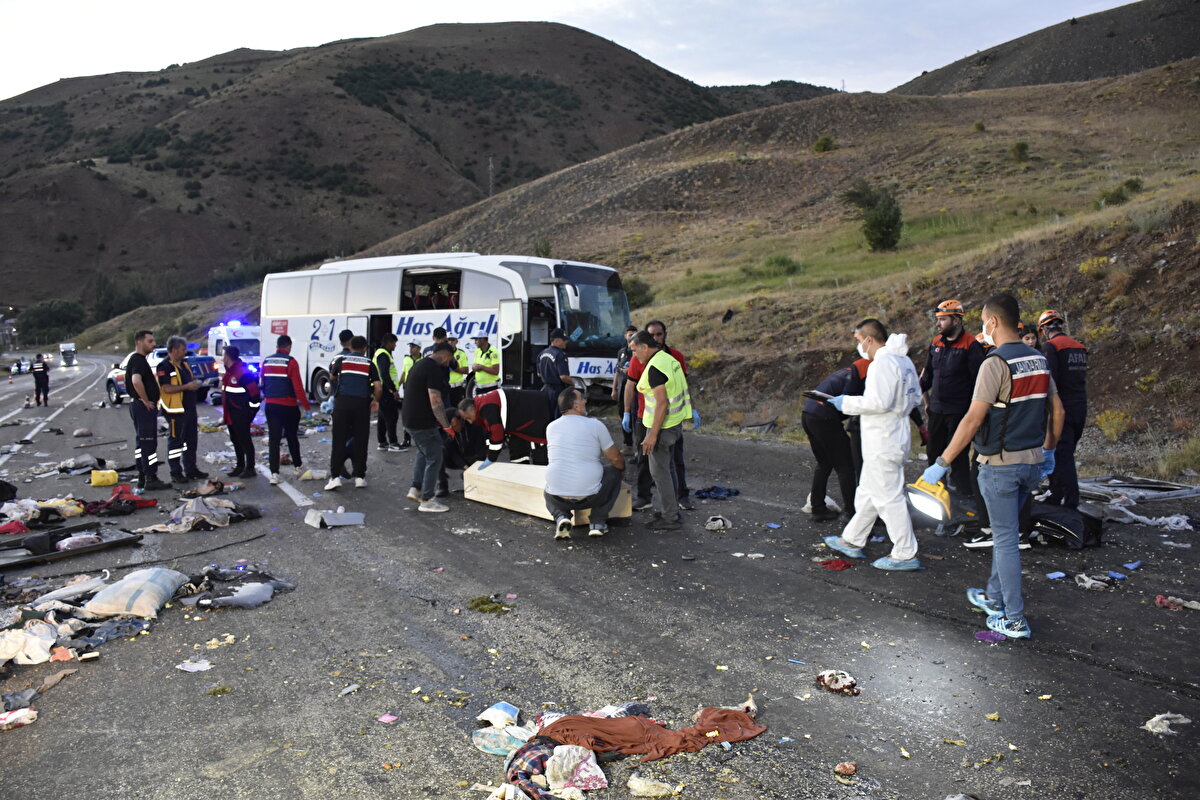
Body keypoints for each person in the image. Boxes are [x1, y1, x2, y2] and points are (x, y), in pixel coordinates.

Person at [924, 293, 1065, 639]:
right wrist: (1049, 450)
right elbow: (1057, 411)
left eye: (983, 322)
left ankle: (1013, 619)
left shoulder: (994, 363)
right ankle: (994, 595)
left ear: (992, 322)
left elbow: (973, 420)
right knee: (1007, 534)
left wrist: (941, 462)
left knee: (1004, 541)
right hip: (1032, 464)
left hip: (1000, 466)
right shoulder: (1038, 359)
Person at [824, 319, 923, 571]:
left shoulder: (882, 363)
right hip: (892, 436)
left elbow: (878, 402)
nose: (858, 346)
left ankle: (904, 552)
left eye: (858, 340)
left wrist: (846, 403)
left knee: (889, 498)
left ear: (868, 339)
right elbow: (916, 397)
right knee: (868, 491)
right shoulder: (904, 361)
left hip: (883, 439)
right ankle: (852, 539)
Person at [622, 321, 697, 511]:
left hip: (662, 425)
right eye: (652, 334)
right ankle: (651, 500)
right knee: (653, 465)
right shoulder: (665, 359)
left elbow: (662, 402)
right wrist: (626, 412)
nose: (633, 355)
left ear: (644, 346)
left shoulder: (661, 363)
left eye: (634, 350)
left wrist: (653, 434)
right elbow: (630, 385)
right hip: (664, 421)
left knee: (663, 469)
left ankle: (671, 513)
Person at [919, 300, 985, 498]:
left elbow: (978, 384)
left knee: (957, 458)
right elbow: (928, 374)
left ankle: (965, 500)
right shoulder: (936, 342)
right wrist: (923, 400)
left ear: (956, 320)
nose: (938, 324)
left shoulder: (971, 346)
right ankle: (935, 495)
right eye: (937, 320)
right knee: (933, 453)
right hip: (937, 411)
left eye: (943, 320)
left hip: (959, 413)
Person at [544, 387, 626, 539]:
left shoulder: (551, 427)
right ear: (575, 406)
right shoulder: (595, 425)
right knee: (614, 472)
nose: (585, 401)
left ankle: (561, 517)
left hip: (557, 498)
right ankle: (597, 523)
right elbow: (616, 459)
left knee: (548, 487)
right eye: (582, 399)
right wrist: (622, 470)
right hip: (590, 496)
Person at [802, 362, 865, 521]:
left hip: (808, 413)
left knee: (824, 463)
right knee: (846, 466)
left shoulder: (846, 371)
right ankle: (851, 513)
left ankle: (818, 508)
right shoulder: (863, 375)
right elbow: (851, 403)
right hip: (824, 417)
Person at [1039, 309, 1088, 509]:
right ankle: (1057, 493)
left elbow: (1051, 381)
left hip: (1062, 408)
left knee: (1061, 455)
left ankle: (1070, 501)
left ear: (1043, 329)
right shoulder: (1079, 347)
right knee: (1066, 453)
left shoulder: (1051, 347)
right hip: (1080, 406)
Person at [402, 341, 455, 512]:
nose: (449, 363)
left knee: (423, 452)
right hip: (422, 422)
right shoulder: (433, 369)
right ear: (446, 355)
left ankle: (415, 489)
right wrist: (446, 425)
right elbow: (436, 400)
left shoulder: (420, 365)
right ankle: (427, 499)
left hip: (409, 420)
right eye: (450, 359)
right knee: (435, 456)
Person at [325, 335, 381, 490]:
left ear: (350, 347)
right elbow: (378, 386)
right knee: (361, 441)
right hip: (361, 406)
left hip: (342, 404)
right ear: (364, 348)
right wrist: (375, 400)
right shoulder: (369, 363)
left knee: (338, 441)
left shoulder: (341, 360)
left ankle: (335, 477)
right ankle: (360, 477)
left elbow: (332, 376)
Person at [458, 388, 551, 467]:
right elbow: (489, 435)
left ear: (473, 409)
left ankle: (542, 482)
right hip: (517, 422)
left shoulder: (486, 407)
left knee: (538, 451)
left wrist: (490, 460)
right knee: (517, 455)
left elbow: (497, 437)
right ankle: (522, 479)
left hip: (535, 413)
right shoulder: (481, 404)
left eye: (468, 418)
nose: (470, 422)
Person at [262, 334, 311, 484]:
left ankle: (274, 474)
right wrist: (306, 406)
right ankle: (297, 466)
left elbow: (263, 381)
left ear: (277, 346)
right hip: (288, 406)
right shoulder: (291, 362)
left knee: (274, 440)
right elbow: (298, 387)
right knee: (291, 437)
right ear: (288, 346)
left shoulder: (267, 361)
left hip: (271, 405)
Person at [157, 336, 205, 483]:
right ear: (174, 349)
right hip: (174, 411)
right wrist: (187, 387)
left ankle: (191, 469)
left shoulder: (184, 364)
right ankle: (175, 471)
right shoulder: (164, 366)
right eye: (183, 350)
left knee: (191, 441)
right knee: (176, 442)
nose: (185, 352)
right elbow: (166, 388)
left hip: (189, 408)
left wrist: (195, 384)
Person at [127, 330, 171, 491]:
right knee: (148, 444)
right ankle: (151, 477)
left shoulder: (139, 360)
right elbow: (136, 380)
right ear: (140, 342)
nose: (153, 344)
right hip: (143, 408)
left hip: (139, 407)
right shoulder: (138, 360)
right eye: (150, 341)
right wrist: (146, 401)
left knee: (142, 444)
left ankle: (142, 476)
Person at [221, 345, 262, 480]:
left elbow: (255, 396)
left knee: (245, 440)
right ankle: (240, 466)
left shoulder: (242, 374)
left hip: (241, 413)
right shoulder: (229, 373)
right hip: (231, 414)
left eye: (223, 355)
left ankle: (250, 468)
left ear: (227, 357)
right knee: (235, 439)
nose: (222, 357)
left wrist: (251, 413)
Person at [373, 333, 403, 452]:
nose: (395, 346)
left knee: (382, 417)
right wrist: (393, 390)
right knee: (392, 416)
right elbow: (384, 374)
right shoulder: (383, 355)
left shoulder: (381, 354)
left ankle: (382, 442)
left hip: (383, 390)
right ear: (388, 343)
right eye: (394, 343)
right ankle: (393, 443)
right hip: (385, 390)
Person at [611, 326, 638, 449]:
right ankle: (628, 444)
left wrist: (630, 371)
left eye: (634, 334)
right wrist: (614, 389)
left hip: (636, 390)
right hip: (623, 390)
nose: (631, 336)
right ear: (625, 336)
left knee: (635, 417)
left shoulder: (638, 351)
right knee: (623, 415)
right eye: (629, 334)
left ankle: (639, 446)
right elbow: (617, 371)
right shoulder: (621, 352)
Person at [537, 328, 572, 420]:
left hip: (545, 390)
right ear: (557, 340)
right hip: (557, 391)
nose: (566, 342)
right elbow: (564, 376)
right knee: (557, 418)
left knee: (546, 416)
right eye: (564, 340)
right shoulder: (560, 354)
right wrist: (573, 384)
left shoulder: (542, 353)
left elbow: (539, 374)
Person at [398, 340, 422, 448]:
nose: (411, 349)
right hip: (407, 388)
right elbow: (404, 372)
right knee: (407, 414)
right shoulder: (406, 359)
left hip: (419, 388)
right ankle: (406, 438)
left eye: (413, 347)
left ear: (419, 348)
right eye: (410, 346)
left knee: (419, 413)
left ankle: (419, 439)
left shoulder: (423, 359)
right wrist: (398, 386)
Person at [446, 336, 471, 407]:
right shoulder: (442, 354)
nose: (450, 342)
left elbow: (466, 370)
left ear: (456, 341)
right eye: (448, 340)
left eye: (452, 340)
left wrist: (454, 368)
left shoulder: (461, 353)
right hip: (446, 388)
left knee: (459, 411)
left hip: (458, 387)